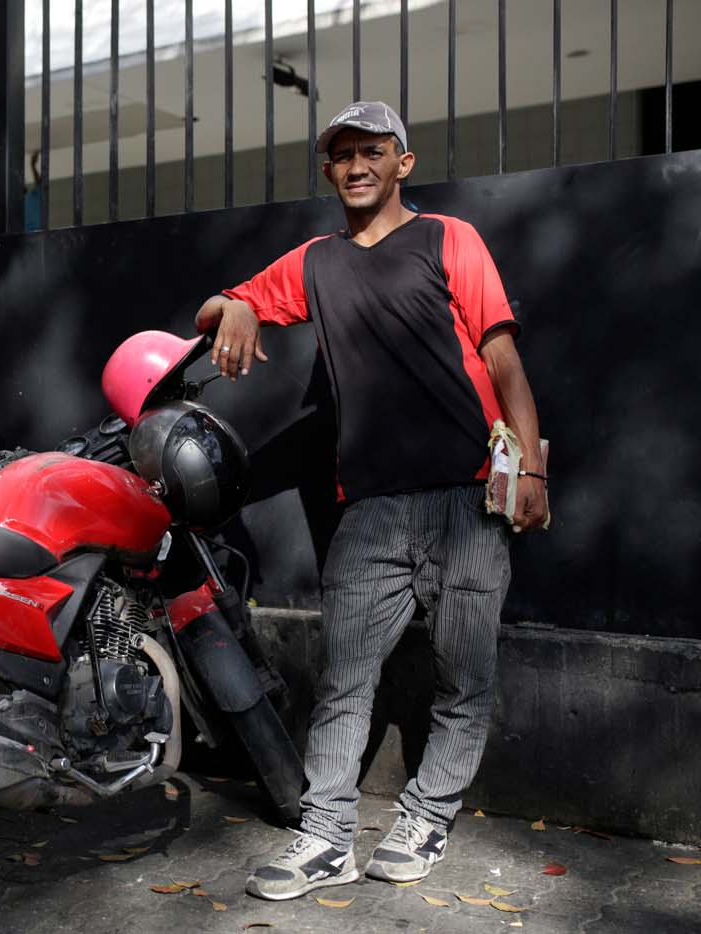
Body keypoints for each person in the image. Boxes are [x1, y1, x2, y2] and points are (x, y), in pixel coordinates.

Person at [193, 101, 549, 902]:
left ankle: (425, 814)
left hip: (468, 497)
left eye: (373, 152)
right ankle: (325, 838)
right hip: (372, 509)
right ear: (330, 170)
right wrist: (243, 305)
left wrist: (531, 472)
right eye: (343, 155)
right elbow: (213, 308)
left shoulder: (449, 238)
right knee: (344, 680)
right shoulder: (316, 260)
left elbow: (504, 364)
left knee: (466, 675)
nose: (356, 166)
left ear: (403, 163)